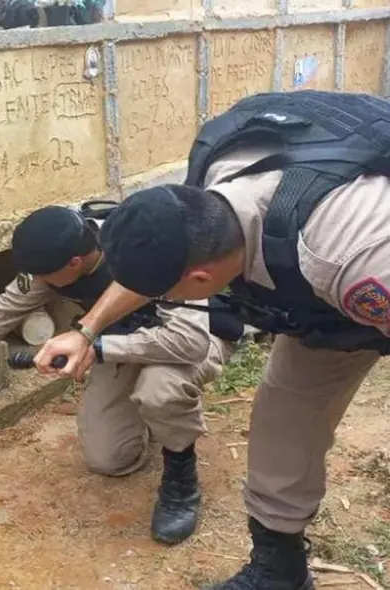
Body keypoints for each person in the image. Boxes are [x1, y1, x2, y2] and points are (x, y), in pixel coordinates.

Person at [32, 89, 390, 590]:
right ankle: (279, 569)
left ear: (200, 282)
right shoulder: (210, 190)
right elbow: (152, 265)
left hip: (359, 254)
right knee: (283, 419)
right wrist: (88, 330)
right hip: (320, 298)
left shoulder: (349, 256)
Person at [0, 204, 245, 546]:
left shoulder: (150, 251)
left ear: (75, 262)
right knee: (108, 458)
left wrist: (95, 349)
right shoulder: (58, 258)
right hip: (123, 342)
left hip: (192, 341)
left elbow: (188, 342)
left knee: (160, 390)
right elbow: (5, 309)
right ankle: (151, 418)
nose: (38, 281)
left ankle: (181, 477)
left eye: (44, 275)